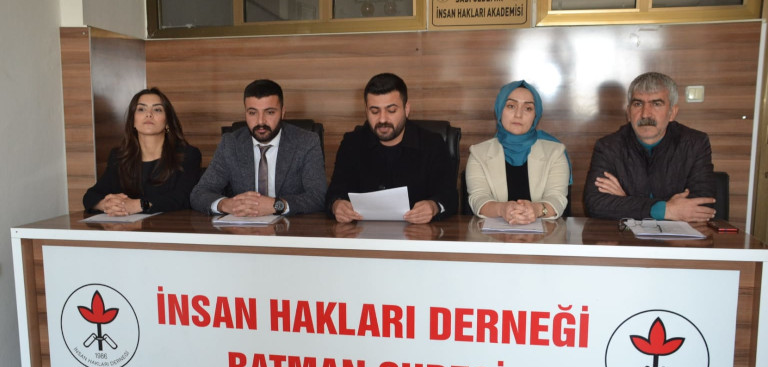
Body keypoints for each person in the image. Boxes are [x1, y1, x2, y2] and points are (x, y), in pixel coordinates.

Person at [325, 73, 457, 224]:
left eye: (391, 110)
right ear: (366, 111)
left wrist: (434, 206)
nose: (382, 119)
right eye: (375, 111)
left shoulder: (431, 143)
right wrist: (337, 205)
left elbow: (449, 196)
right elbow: (334, 193)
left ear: (406, 109)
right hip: (362, 232)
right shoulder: (352, 143)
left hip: (417, 232)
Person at [584, 72, 715, 222]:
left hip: (678, 237)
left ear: (672, 113)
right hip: (626, 235)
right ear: (628, 113)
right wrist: (666, 210)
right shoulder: (609, 147)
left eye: (656, 104)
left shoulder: (694, 143)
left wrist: (626, 201)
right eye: (638, 104)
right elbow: (595, 204)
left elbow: (702, 206)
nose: (645, 114)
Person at [190, 79, 326, 216]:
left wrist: (277, 205)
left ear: (282, 112)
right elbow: (199, 193)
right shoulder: (230, 143)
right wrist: (225, 205)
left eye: (270, 112)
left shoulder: (306, 142)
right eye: (252, 113)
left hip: (291, 227)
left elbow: (318, 197)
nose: (261, 121)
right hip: (242, 226)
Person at [83, 87, 201, 215]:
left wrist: (139, 205)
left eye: (157, 109)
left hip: (170, 225)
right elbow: (91, 195)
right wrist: (106, 204)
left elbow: (184, 197)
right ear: (133, 121)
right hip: (128, 226)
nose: (148, 114)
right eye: (141, 109)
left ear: (167, 122)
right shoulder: (119, 156)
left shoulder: (187, 155)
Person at [465, 80, 570, 223]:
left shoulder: (555, 152)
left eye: (528, 108)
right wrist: (502, 209)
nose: (518, 115)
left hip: (544, 234)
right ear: (499, 110)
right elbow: (478, 199)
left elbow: (557, 198)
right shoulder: (478, 153)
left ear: (536, 115)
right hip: (492, 235)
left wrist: (537, 210)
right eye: (511, 106)